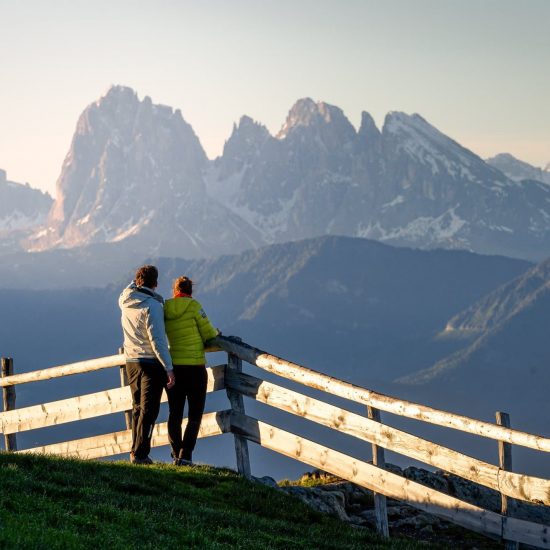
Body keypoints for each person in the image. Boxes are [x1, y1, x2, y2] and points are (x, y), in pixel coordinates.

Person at [119, 265, 175, 465]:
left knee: (137, 407)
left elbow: (129, 288)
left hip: (131, 361)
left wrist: (134, 282)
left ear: (137, 281)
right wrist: (168, 367)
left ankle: (135, 450)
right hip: (151, 362)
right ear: (156, 284)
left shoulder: (125, 301)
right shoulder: (152, 306)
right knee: (149, 410)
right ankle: (141, 454)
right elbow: (158, 340)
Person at [164, 276, 219, 465]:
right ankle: (185, 454)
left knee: (175, 413)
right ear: (190, 291)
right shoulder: (195, 306)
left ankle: (174, 452)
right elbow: (209, 333)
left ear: (174, 290)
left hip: (174, 368)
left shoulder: (165, 308)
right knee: (195, 414)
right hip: (195, 368)